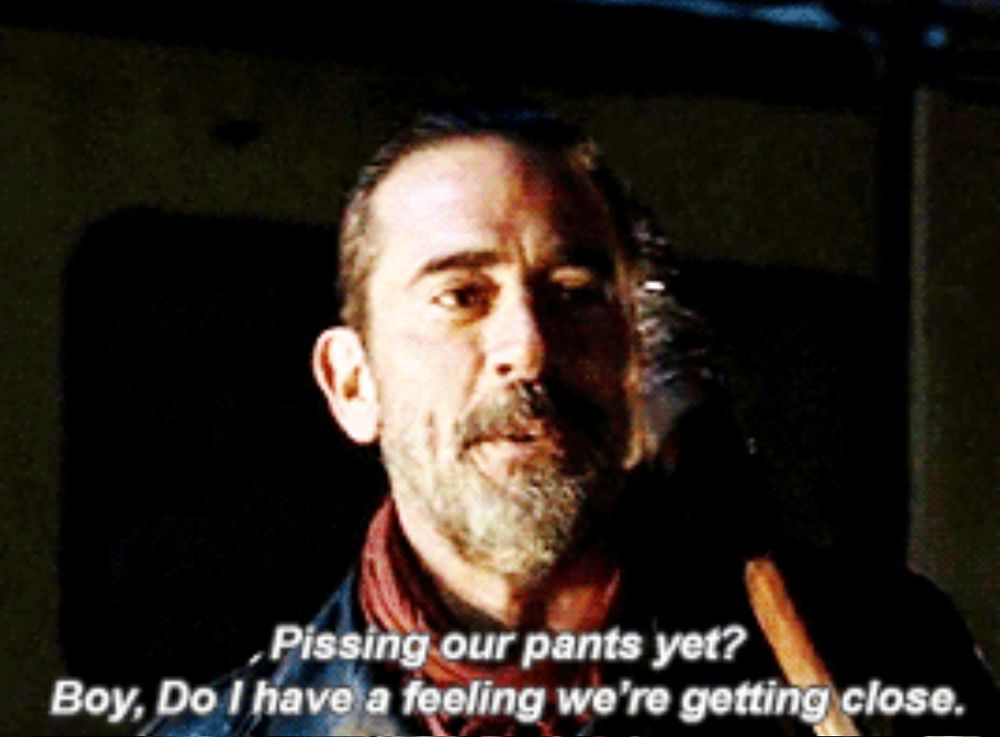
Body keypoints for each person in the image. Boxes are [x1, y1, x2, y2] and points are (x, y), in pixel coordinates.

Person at [142, 107, 998, 736]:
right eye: (461, 296)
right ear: (352, 383)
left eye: (575, 294)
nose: (528, 346)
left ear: (636, 363)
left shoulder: (881, 654)